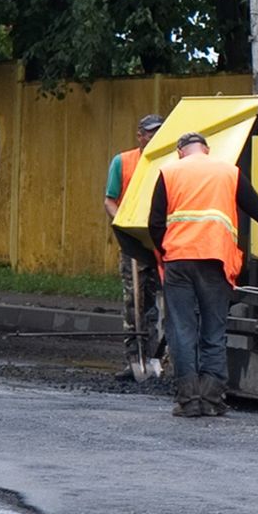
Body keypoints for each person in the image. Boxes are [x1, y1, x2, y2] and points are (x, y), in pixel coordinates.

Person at [147, 132, 258, 418]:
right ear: (206, 149)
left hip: (179, 261)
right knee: (214, 330)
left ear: (180, 152)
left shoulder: (169, 172)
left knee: (182, 330)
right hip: (216, 261)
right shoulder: (229, 172)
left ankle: (188, 400)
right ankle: (212, 399)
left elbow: (155, 224)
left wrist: (167, 252)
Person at [103, 115, 165, 384]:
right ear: (140, 135)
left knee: (156, 304)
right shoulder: (123, 161)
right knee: (134, 304)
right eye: (150, 133)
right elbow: (110, 200)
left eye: (159, 133)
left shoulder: (170, 161)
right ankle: (134, 360)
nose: (154, 138)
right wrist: (123, 227)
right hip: (133, 243)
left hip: (162, 243)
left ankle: (156, 359)